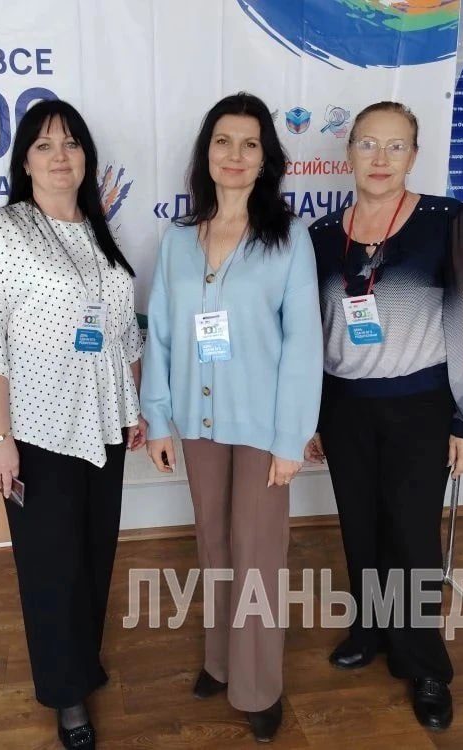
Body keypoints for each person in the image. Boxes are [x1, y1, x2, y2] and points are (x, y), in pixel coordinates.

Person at [0, 99, 146, 750]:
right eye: (44, 145)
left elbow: (123, 334)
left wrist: (134, 406)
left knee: (95, 557)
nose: (60, 156)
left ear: (86, 156)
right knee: (51, 568)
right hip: (38, 434)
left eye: (71, 144)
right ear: (24, 161)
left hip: (105, 429)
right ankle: (67, 696)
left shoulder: (98, 232)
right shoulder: (5, 231)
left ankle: (81, 662)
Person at [305, 101, 463, 732]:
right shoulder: (321, 236)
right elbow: (313, 334)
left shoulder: (444, 221)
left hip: (420, 407)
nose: (380, 158)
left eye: (395, 146)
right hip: (345, 408)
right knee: (360, 528)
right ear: (348, 153)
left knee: (412, 537)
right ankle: (371, 628)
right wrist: (310, 415)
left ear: (414, 155)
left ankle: (424, 663)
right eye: (368, 144)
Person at [141, 92, 323, 743]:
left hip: (263, 428)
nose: (236, 155)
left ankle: (258, 686)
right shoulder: (178, 240)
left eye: (250, 143)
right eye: (224, 141)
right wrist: (157, 418)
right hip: (198, 423)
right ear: (207, 154)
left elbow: (303, 344)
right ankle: (220, 662)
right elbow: (161, 334)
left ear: (266, 158)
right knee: (214, 544)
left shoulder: (289, 239)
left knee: (258, 554)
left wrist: (291, 438)